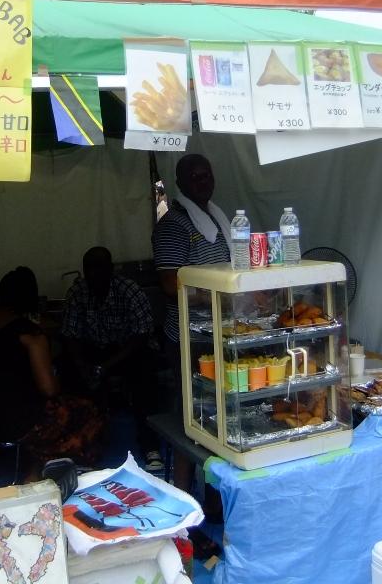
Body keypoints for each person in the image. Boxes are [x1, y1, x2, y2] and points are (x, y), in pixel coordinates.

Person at [0, 266, 102, 485]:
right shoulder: (29, 334)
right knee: (90, 412)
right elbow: (49, 389)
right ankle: (46, 470)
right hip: (20, 425)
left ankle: (33, 466)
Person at [152, 153, 230, 537]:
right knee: (191, 422)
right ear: (180, 183)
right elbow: (170, 284)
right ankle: (183, 511)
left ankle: (214, 501)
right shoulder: (173, 225)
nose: (203, 181)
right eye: (194, 176)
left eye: (207, 174)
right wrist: (216, 294)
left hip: (218, 334)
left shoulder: (217, 217)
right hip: (188, 339)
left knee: (217, 420)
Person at [60, 246, 162, 471]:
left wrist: (106, 366)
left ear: (110, 269)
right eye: (89, 269)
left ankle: (150, 446)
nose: (93, 274)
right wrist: (82, 365)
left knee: (145, 376)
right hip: (95, 349)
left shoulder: (129, 290)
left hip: (128, 350)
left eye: (99, 268)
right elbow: (70, 334)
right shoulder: (78, 291)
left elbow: (142, 335)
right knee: (68, 373)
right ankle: (81, 447)